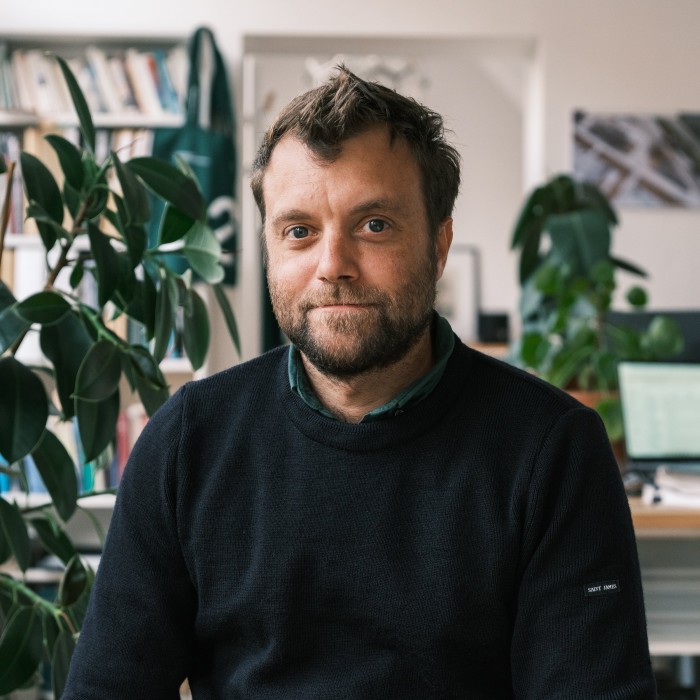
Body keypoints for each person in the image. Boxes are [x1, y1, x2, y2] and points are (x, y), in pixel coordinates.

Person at [64, 67, 656, 699]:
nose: (333, 266)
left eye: (374, 224)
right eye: (299, 231)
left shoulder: (552, 450)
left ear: (439, 243)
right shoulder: (189, 442)